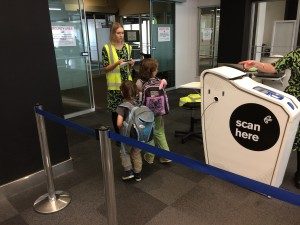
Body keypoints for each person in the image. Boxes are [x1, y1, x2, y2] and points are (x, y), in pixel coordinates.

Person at [239, 48, 300, 188]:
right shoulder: (296, 54)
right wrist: (255, 63)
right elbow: (273, 68)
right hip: (295, 100)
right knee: (287, 134)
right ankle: (273, 168)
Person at [102, 22, 135, 144]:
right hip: (114, 87)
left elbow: (129, 68)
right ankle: (118, 137)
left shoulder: (128, 47)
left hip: (127, 85)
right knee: (116, 112)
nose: (121, 35)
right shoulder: (106, 48)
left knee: (128, 110)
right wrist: (116, 63)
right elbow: (105, 68)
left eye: (122, 33)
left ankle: (129, 135)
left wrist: (131, 64)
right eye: (118, 33)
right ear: (113, 33)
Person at [136, 58, 172, 164]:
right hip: (159, 112)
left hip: (146, 114)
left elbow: (138, 98)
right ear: (153, 70)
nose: (157, 70)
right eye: (156, 68)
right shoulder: (158, 81)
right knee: (160, 132)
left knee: (149, 134)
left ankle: (150, 156)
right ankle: (166, 156)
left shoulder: (139, 82)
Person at [116, 80, 142, 181]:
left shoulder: (122, 106)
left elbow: (118, 123)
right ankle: (138, 173)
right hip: (138, 134)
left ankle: (128, 172)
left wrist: (122, 127)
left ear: (122, 93)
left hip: (126, 134)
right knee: (136, 152)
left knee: (124, 152)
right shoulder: (138, 104)